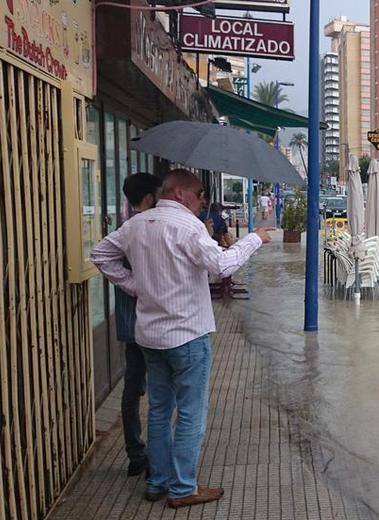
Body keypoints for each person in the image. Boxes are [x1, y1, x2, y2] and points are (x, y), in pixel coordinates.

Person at [91, 170, 272, 508]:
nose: (202, 199)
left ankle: (158, 481)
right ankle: (183, 488)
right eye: (199, 193)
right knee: (190, 413)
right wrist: (255, 238)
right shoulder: (186, 226)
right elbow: (221, 265)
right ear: (179, 193)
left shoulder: (136, 224)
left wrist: (135, 286)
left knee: (159, 409)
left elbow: (101, 255)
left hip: (151, 336)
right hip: (187, 335)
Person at [114, 172, 162, 478]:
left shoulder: (123, 228)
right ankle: (152, 460)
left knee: (133, 390)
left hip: (132, 326)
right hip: (149, 325)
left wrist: (131, 284)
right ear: (148, 198)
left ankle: (136, 453)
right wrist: (136, 285)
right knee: (160, 394)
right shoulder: (142, 230)